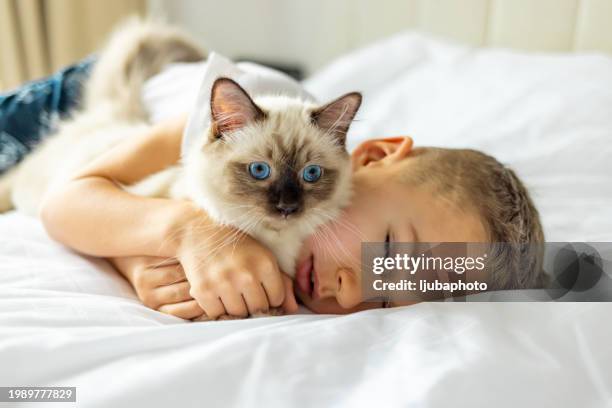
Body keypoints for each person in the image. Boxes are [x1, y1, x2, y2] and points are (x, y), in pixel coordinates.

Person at [39, 111, 546, 320]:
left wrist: (134, 262)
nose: (351, 290)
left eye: (387, 300)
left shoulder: (284, 287)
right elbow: (64, 201)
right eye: (389, 250)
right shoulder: (251, 123)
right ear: (371, 157)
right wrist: (182, 232)